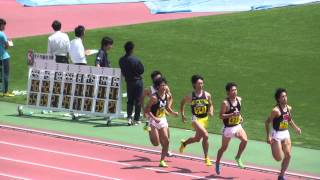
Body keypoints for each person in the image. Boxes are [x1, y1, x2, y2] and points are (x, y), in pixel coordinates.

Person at [265, 88, 301, 180]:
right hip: (276, 135)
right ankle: (275, 146)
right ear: (278, 99)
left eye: (285, 96)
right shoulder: (275, 111)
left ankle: (281, 175)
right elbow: (267, 122)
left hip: (285, 133)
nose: (285, 98)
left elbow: (288, 119)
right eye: (282, 97)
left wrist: (296, 128)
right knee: (278, 158)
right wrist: (268, 136)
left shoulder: (289, 108)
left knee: (288, 155)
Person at [179, 75, 214, 166]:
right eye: (199, 83)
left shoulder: (207, 95)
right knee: (206, 136)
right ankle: (206, 157)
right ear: (194, 84)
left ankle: (184, 143)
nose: (201, 85)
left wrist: (210, 110)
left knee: (197, 139)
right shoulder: (190, 96)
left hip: (204, 119)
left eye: (202, 83)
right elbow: (182, 103)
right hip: (195, 119)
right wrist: (182, 115)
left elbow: (210, 104)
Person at [144, 77, 178, 167]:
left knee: (166, 140)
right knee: (156, 143)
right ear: (158, 87)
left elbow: (166, 107)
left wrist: (173, 112)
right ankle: (150, 131)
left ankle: (162, 160)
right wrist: (154, 118)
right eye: (162, 85)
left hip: (162, 120)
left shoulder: (166, 96)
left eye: (165, 85)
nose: (164, 87)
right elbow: (146, 110)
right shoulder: (154, 98)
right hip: (153, 120)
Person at [215, 82, 248, 175]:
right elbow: (221, 116)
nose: (235, 92)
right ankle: (217, 162)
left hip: (237, 126)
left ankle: (238, 157)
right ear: (228, 92)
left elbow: (238, 111)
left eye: (235, 90)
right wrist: (231, 115)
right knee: (224, 148)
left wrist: (240, 117)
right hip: (228, 129)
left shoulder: (239, 99)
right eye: (232, 90)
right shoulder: (225, 103)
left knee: (245, 140)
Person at [141, 70, 174, 157]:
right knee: (156, 143)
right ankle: (149, 128)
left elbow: (170, 98)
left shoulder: (165, 88)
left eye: (160, 78)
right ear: (154, 81)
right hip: (152, 114)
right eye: (157, 79)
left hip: (162, 114)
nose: (160, 80)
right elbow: (142, 98)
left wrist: (168, 108)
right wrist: (143, 109)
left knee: (166, 134)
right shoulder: (149, 90)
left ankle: (166, 150)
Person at [119, 41, 144, 125]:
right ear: (132, 49)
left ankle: (129, 117)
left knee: (130, 100)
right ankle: (136, 119)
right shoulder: (135, 60)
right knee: (138, 100)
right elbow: (141, 70)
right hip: (137, 82)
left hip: (128, 82)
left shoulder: (121, 60)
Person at [0, 18, 14, 97]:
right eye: (3, 25)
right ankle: (5, 91)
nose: (4, 27)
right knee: (5, 74)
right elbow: (7, 45)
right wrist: (9, 43)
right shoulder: (2, 34)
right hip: (4, 57)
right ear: (1, 25)